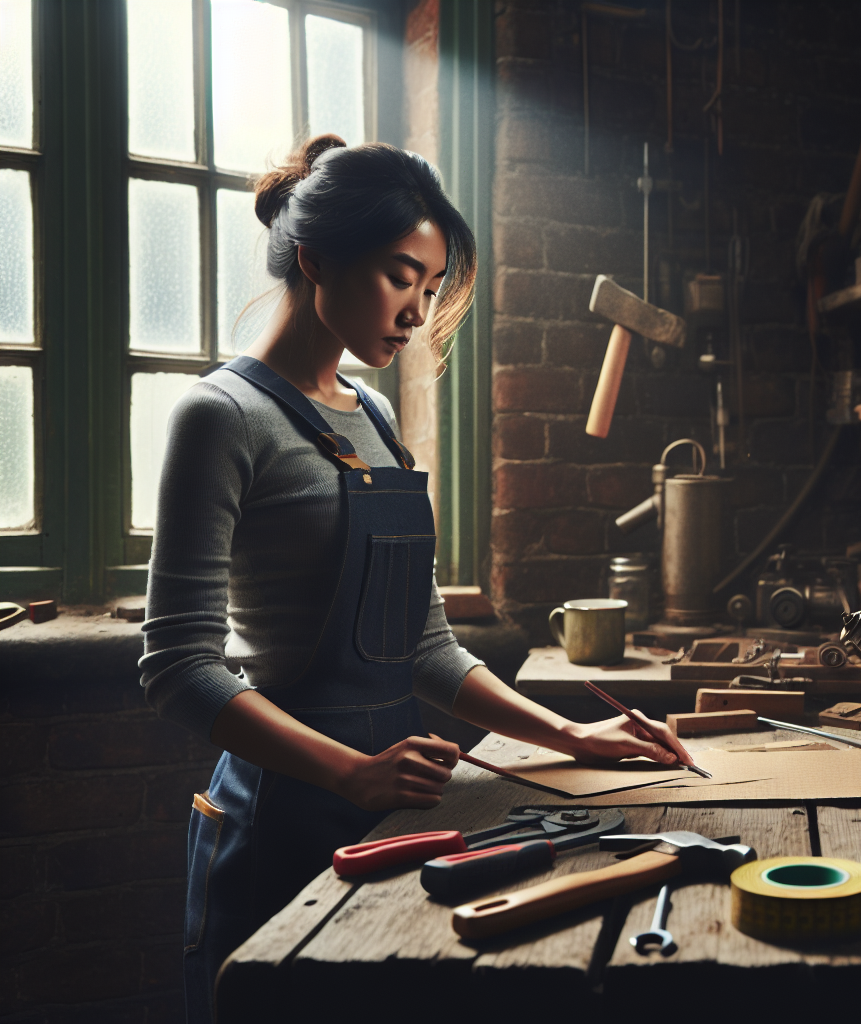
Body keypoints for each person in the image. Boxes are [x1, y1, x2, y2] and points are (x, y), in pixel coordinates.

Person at [139, 135, 692, 1023]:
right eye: (402, 278)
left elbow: (424, 646)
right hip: (291, 807)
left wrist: (572, 739)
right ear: (316, 259)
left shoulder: (378, 416)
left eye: (431, 290)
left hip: (400, 801)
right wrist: (350, 771)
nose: (417, 312)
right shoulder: (221, 416)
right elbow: (177, 668)